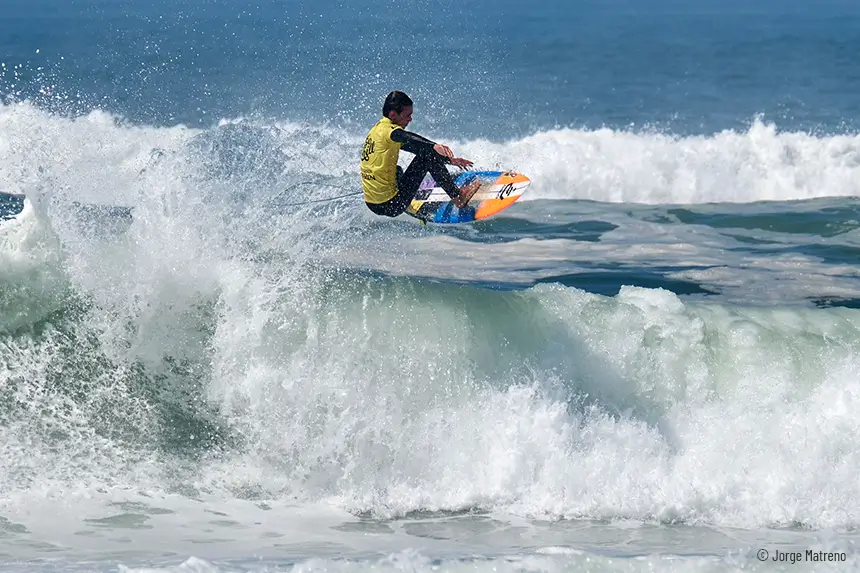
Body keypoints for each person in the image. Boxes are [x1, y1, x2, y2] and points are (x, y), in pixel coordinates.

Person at [360, 91, 481, 218]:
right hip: (392, 205)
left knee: (397, 169)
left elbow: (416, 147)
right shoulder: (392, 133)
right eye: (407, 115)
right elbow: (408, 137)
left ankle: (406, 200)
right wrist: (434, 146)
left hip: (372, 203)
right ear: (393, 114)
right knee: (427, 157)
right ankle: (459, 197)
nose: (410, 119)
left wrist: (450, 160)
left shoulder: (376, 130)